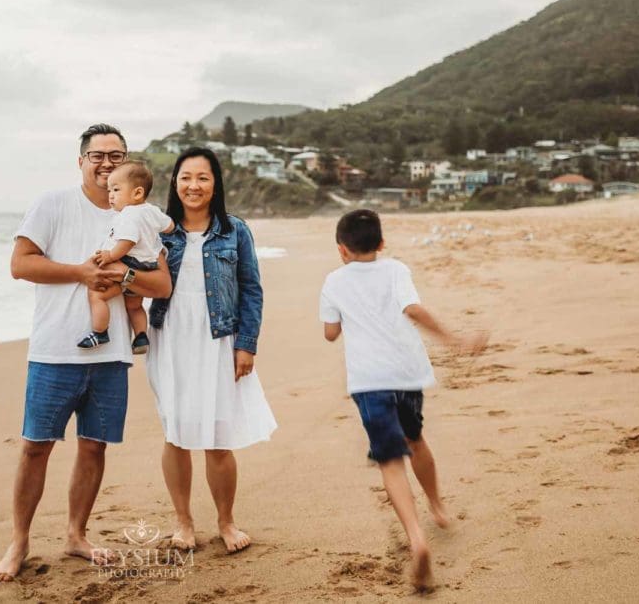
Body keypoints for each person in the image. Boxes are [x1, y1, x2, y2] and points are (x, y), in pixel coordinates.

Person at [0, 124, 173, 582]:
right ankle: (19, 542)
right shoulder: (52, 204)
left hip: (112, 355)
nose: (107, 163)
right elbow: (20, 264)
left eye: (117, 155)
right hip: (54, 351)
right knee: (35, 448)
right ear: (81, 161)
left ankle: (76, 535)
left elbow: (162, 284)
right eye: (97, 155)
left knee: (94, 448)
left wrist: (121, 279)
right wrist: (79, 272)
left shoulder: (140, 213)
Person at [318, 209, 487, 589]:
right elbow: (413, 309)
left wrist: (345, 316)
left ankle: (416, 540)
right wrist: (454, 339)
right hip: (408, 375)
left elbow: (330, 333)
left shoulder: (334, 281)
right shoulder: (396, 270)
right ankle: (437, 505)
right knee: (416, 438)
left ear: (341, 249)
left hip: (369, 381)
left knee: (390, 461)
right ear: (380, 244)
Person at [146, 147, 277, 554]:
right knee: (176, 433)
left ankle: (226, 521)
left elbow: (252, 289)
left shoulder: (234, 230)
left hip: (219, 339)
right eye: (186, 177)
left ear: (215, 183)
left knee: (219, 437)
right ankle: (183, 522)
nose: (193, 186)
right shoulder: (159, 231)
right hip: (169, 337)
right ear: (174, 183)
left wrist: (246, 345)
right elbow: (131, 274)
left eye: (202, 177)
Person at [77, 160, 173, 354]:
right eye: (110, 190)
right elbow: (170, 226)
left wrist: (110, 255)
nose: (110, 196)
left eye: (116, 190)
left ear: (137, 193)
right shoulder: (152, 210)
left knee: (97, 295)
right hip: (150, 264)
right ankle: (140, 336)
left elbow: (127, 241)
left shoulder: (129, 214)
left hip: (129, 261)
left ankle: (100, 332)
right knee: (134, 305)